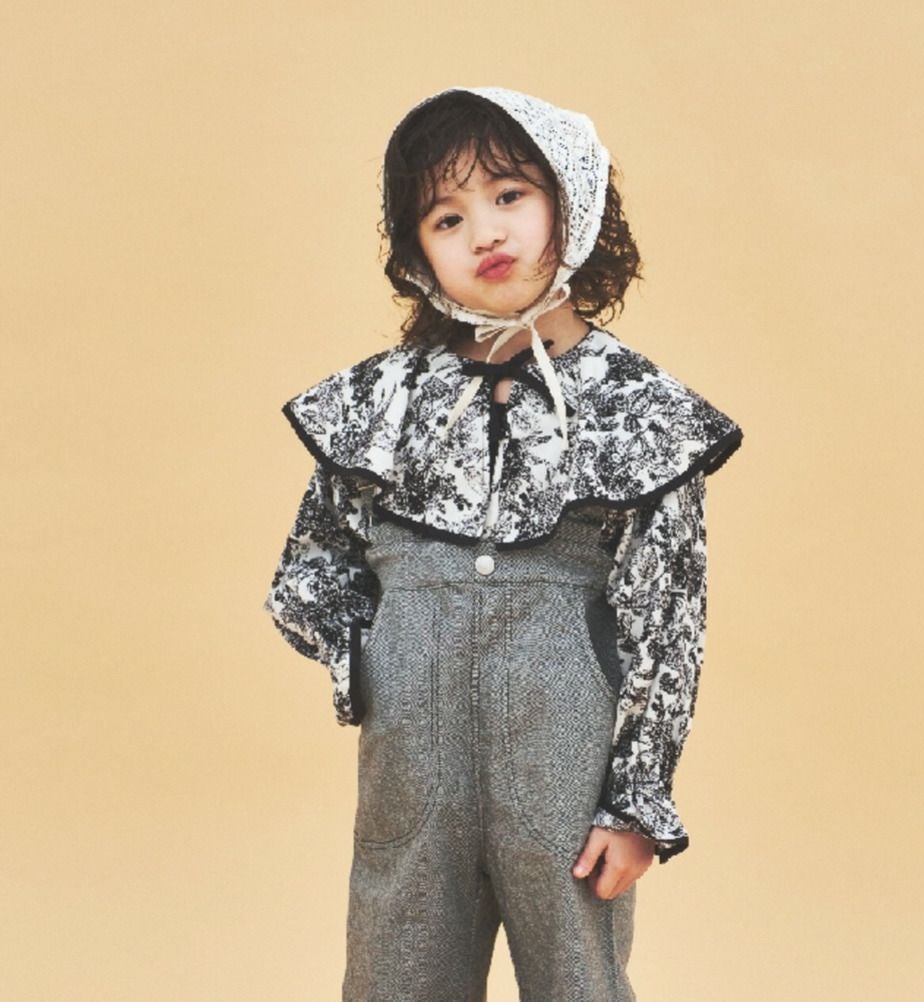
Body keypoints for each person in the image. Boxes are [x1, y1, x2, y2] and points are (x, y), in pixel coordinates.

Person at [263, 86, 743, 1001]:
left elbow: (668, 623)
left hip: (565, 771)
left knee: (577, 981)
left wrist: (636, 801)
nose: (484, 232)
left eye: (510, 196)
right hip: (410, 769)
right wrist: (377, 661)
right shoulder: (380, 404)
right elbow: (308, 572)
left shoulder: (639, 410)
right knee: (395, 975)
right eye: (447, 218)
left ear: (571, 201)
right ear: (419, 255)